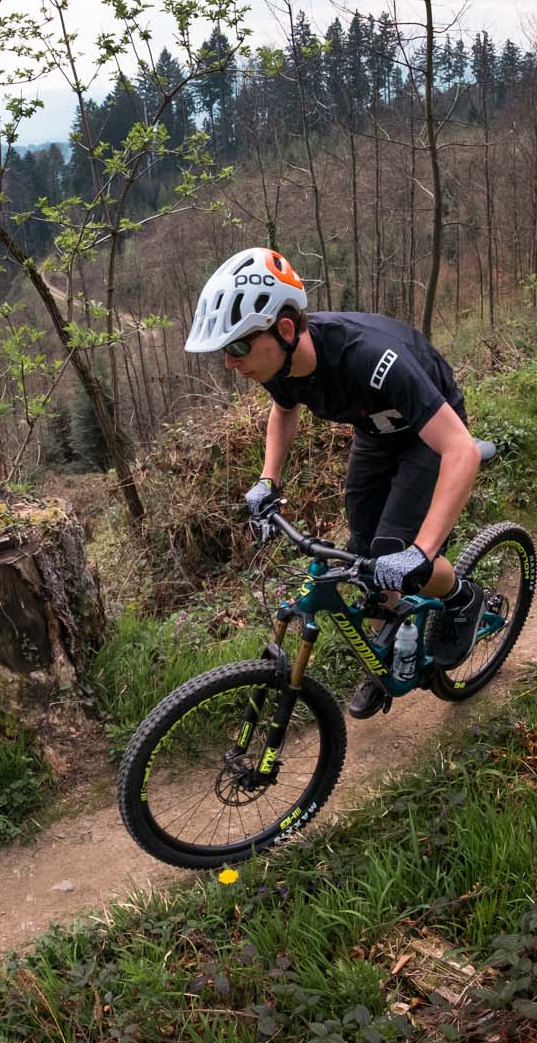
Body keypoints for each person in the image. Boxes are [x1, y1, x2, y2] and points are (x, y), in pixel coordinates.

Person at [183, 247, 484, 719]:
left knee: (395, 553)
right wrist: (267, 480)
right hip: (375, 434)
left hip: (430, 433)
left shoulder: (372, 357)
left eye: (237, 347)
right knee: (364, 556)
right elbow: (283, 411)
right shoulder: (277, 365)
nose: (229, 362)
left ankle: (462, 598)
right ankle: (386, 656)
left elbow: (461, 451)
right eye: (225, 351)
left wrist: (422, 551)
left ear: (285, 330)